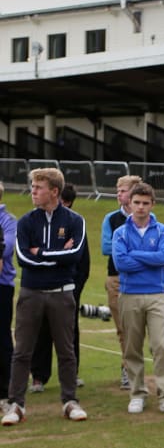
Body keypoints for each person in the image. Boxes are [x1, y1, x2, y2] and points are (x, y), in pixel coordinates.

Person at [3, 168, 89, 425]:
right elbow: (24, 258)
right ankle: (16, 404)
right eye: (32, 187)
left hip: (62, 294)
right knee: (22, 352)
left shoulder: (75, 221)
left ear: (54, 191)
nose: (33, 192)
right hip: (31, 294)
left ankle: (69, 401)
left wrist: (41, 252)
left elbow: (74, 255)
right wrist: (53, 255)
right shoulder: (26, 221)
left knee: (66, 351)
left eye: (38, 188)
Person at [112, 183, 164, 416]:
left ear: (152, 204)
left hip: (157, 294)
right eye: (136, 203)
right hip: (130, 294)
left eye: (145, 203)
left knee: (161, 345)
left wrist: (136, 255)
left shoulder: (162, 231)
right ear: (129, 204)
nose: (140, 207)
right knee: (132, 347)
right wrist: (148, 260)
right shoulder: (120, 232)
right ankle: (137, 393)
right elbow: (121, 263)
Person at [30, 184, 90, 392]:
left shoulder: (74, 223)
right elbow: (29, 255)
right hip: (40, 288)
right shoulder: (34, 222)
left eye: (64, 204)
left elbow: (80, 261)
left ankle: (72, 376)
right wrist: (55, 254)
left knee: (68, 335)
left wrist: (75, 288)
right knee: (40, 332)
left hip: (67, 289)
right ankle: (38, 377)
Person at [99, 174, 143, 390]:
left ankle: (137, 367)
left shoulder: (145, 218)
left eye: (123, 190)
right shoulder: (111, 218)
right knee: (122, 328)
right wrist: (135, 250)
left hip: (140, 279)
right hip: (116, 278)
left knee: (139, 327)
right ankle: (127, 369)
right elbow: (107, 248)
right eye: (118, 190)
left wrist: (126, 249)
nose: (119, 194)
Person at [0, 183, 16, 410]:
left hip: (2, 285)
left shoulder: (8, 220)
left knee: (2, 337)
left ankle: (5, 391)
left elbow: (7, 248)